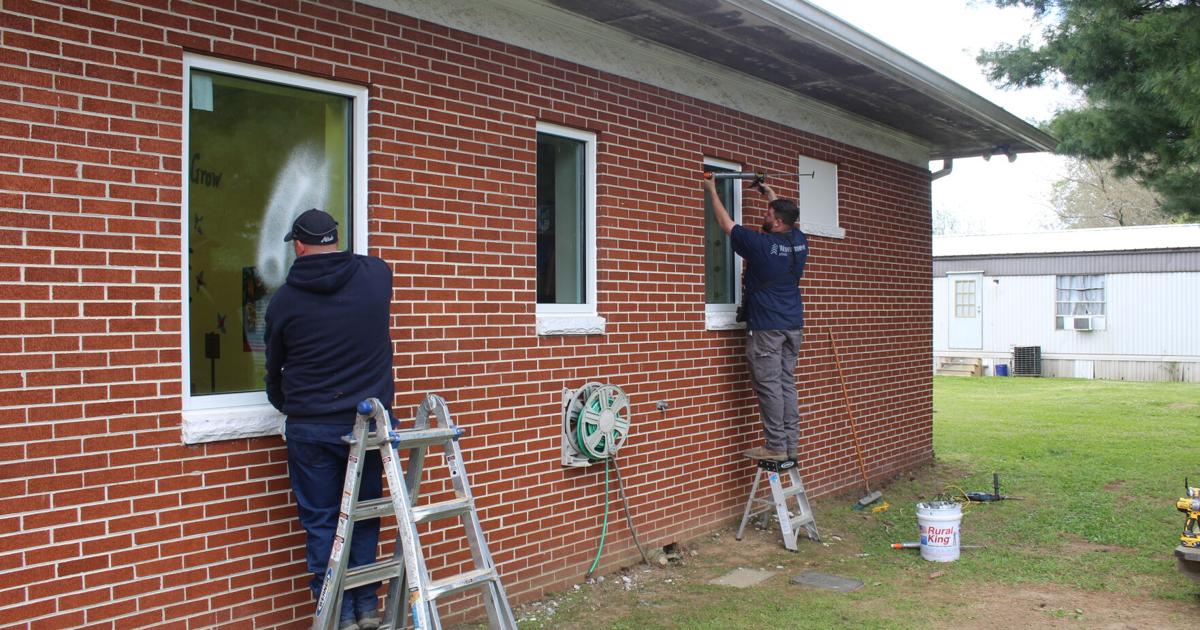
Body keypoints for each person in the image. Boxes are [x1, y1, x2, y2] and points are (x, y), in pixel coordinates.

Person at [264, 208, 394, 630]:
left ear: (298, 245)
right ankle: (365, 608)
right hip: (365, 426)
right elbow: (368, 264)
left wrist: (285, 402)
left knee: (322, 520)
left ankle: (334, 612)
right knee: (362, 513)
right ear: (336, 239)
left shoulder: (284, 299)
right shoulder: (377, 277)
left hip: (311, 427)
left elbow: (274, 366)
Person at [702, 176, 809, 462]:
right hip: (792, 325)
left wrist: (711, 190)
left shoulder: (761, 245)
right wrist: (768, 192)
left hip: (768, 328)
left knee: (770, 386)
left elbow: (726, 225)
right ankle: (790, 444)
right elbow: (784, 212)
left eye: (768, 213)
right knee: (786, 384)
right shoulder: (799, 240)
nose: (765, 214)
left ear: (776, 223)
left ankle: (775, 445)